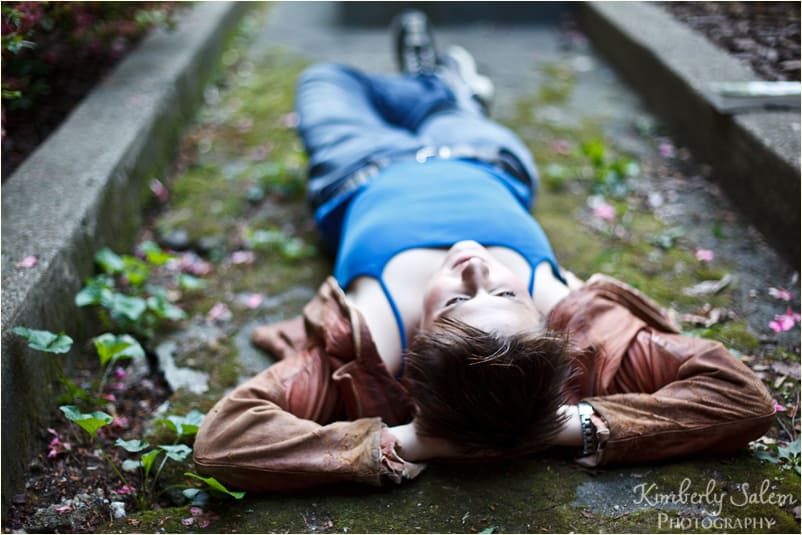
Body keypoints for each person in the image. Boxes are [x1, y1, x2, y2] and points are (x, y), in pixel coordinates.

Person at [192, 11, 774, 492]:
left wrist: (401, 441)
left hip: (358, 167)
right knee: (446, 108)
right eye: (503, 292)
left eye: (455, 304)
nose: (476, 265)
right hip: (478, 154)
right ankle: (444, 89)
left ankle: (435, 84)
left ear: (416, 355)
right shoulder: (587, 336)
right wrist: (570, 425)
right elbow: (742, 398)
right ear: (550, 328)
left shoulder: (361, 353)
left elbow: (226, 442)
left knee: (324, 79)